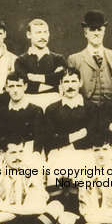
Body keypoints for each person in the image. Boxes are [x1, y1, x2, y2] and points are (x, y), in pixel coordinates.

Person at [43, 67, 98, 201]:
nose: (70, 86)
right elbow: (49, 139)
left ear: (80, 83)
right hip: (59, 152)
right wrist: (77, 135)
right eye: (66, 82)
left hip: (84, 152)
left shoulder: (91, 107)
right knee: (57, 178)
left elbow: (94, 136)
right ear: (61, 85)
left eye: (74, 81)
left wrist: (66, 141)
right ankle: (59, 206)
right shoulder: (52, 109)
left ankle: (74, 207)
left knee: (81, 179)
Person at [67, 10, 112, 104]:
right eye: (92, 29)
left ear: (104, 32)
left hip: (111, 109)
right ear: (85, 33)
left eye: (99, 29)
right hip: (86, 109)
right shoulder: (74, 59)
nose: (96, 33)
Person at [0, 69, 44, 158]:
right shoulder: (1, 112)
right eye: (11, 86)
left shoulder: (35, 111)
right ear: (7, 88)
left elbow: (38, 139)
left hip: (28, 153)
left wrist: (36, 155)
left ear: (25, 86)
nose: (15, 90)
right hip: (6, 153)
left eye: (19, 86)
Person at [14, 18, 67, 111]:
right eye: (38, 33)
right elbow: (26, 86)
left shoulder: (58, 58)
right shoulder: (20, 60)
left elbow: (61, 78)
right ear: (29, 35)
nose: (43, 37)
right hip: (28, 104)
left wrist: (35, 77)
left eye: (45, 32)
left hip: (54, 103)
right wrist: (52, 82)